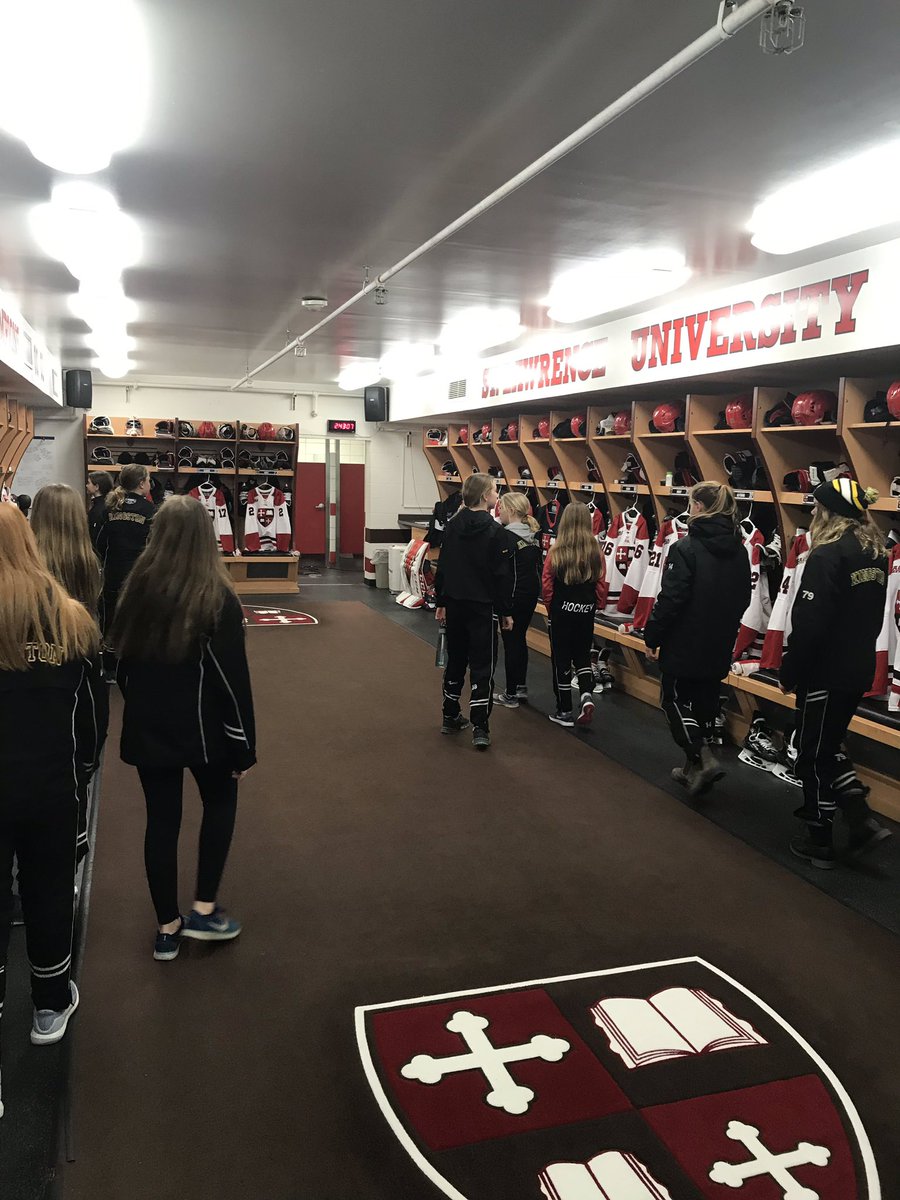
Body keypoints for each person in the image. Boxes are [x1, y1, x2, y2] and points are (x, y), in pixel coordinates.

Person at [110, 496, 256, 961]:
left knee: (162, 820)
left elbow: (122, 669)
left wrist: (144, 709)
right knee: (220, 801)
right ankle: (204, 909)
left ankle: (167, 928)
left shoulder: (136, 588)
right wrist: (243, 748)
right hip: (205, 733)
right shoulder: (216, 597)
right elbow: (232, 683)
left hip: (150, 729)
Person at [0, 504, 106, 1101]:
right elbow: (92, 719)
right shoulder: (68, 620)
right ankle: (47, 1005)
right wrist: (82, 773)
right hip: (51, 789)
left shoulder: (70, 617)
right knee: (47, 894)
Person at [780, 478, 892, 868]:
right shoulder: (876, 554)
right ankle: (860, 820)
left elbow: (810, 624)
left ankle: (820, 837)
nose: (812, 514)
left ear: (828, 513)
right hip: (857, 667)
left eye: (816, 508)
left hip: (824, 672)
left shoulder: (828, 555)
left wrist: (790, 669)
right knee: (828, 746)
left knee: (812, 754)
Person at [644, 481, 750, 795]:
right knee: (704, 704)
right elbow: (744, 597)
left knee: (672, 698)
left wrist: (653, 634)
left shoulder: (685, 548)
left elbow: (672, 598)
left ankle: (702, 758)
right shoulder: (740, 550)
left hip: (684, 639)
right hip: (720, 639)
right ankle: (693, 769)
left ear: (699, 507)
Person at [31, 483, 107, 865]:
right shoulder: (88, 562)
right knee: (74, 759)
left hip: (29, 666)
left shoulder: (24, 567)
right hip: (77, 665)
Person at [434, 473, 513, 751]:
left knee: (456, 659)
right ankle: (480, 726)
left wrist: (440, 601)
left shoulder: (453, 526)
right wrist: (505, 611)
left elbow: (443, 566)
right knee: (482, 664)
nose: (497, 494)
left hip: (455, 603)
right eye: (494, 490)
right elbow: (501, 576)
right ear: (484, 496)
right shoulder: (497, 532)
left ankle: (450, 713)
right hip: (483, 607)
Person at [542, 502, 605, 728]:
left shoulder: (557, 550)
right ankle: (586, 695)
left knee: (561, 660)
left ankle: (565, 710)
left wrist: (551, 608)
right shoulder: (595, 551)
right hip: (585, 612)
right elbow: (601, 583)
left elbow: (547, 583)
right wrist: (596, 604)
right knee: (582, 655)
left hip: (561, 611)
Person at [95, 464, 154, 669]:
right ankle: (134, 664)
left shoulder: (110, 506)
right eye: (148, 480)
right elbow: (154, 546)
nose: (150, 483)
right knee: (138, 617)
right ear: (141, 483)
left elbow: (100, 543)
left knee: (110, 617)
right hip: (139, 574)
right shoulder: (150, 510)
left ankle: (109, 666)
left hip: (113, 572)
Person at [494, 492, 542, 708]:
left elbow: (504, 575)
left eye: (502, 508)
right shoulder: (532, 535)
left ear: (511, 510)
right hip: (530, 596)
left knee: (512, 643)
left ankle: (511, 692)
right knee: (519, 640)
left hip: (513, 597)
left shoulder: (506, 537)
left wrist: (505, 606)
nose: (499, 512)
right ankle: (520, 687)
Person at [85, 471, 113, 546]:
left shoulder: (99, 509)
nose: (86, 485)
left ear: (97, 487)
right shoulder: (106, 504)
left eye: (88, 483)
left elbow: (95, 535)